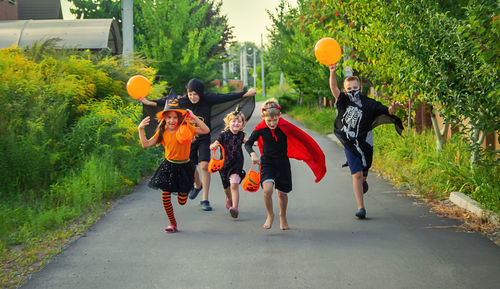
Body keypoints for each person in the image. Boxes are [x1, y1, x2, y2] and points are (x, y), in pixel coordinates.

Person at [140, 79, 256, 211]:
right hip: (188, 138)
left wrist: (246, 93)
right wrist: (148, 102)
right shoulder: (182, 101)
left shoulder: (208, 99)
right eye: (190, 94)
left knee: (204, 165)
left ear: (200, 93)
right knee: (189, 164)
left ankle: (205, 199)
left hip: (204, 137)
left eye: (195, 94)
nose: (192, 97)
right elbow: (165, 101)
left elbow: (226, 96)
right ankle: (197, 185)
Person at [329, 64, 403, 219]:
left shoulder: (369, 104)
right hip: (350, 143)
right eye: (349, 88)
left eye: (355, 87)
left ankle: (363, 180)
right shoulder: (343, 101)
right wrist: (333, 72)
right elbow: (333, 87)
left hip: (365, 144)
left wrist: (393, 108)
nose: (352, 90)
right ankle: (361, 207)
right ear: (345, 90)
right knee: (356, 175)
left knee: (362, 174)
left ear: (360, 88)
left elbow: (386, 111)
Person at [244, 99, 326, 230]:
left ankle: (282, 215)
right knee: (267, 189)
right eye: (269, 121)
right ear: (263, 117)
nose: (272, 123)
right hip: (267, 163)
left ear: (279, 116)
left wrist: (311, 153)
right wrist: (252, 154)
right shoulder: (260, 128)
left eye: (275, 120)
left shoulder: (286, 126)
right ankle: (270, 215)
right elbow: (248, 143)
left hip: (282, 163)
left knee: (282, 194)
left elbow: (302, 138)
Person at [137, 94, 209, 233]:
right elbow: (146, 145)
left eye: (175, 117)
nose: (172, 120)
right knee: (165, 196)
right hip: (169, 166)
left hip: (185, 167)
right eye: (169, 117)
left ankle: (194, 187)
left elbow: (206, 130)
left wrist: (193, 117)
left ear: (179, 118)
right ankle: (172, 223)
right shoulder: (162, 131)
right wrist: (140, 129)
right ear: (164, 118)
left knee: (182, 201)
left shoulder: (186, 128)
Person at [209, 105, 247, 218]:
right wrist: (213, 146)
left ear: (242, 124)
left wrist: (254, 143)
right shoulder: (223, 135)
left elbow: (247, 142)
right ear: (228, 122)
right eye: (233, 121)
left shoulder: (241, 135)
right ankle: (229, 198)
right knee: (227, 187)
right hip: (224, 165)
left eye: (239, 122)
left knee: (234, 185)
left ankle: (235, 208)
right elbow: (214, 144)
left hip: (237, 164)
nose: (236, 124)